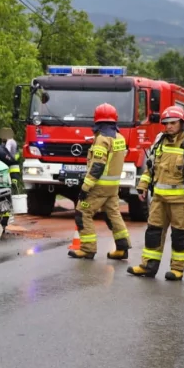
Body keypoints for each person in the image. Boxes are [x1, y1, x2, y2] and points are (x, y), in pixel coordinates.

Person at [127, 106, 184, 281]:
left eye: (173, 123)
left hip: (181, 201)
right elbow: (150, 166)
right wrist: (142, 186)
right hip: (158, 199)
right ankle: (148, 266)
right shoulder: (159, 140)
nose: (169, 126)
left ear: (182, 123)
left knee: (179, 235)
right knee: (153, 233)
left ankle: (177, 269)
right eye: (166, 123)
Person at [68, 103, 130, 261]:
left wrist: (85, 187)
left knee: (82, 213)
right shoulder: (120, 137)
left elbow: (97, 166)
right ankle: (122, 248)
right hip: (113, 187)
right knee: (113, 215)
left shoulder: (102, 139)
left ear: (97, 121)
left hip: (99, 187)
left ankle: (87, 249)